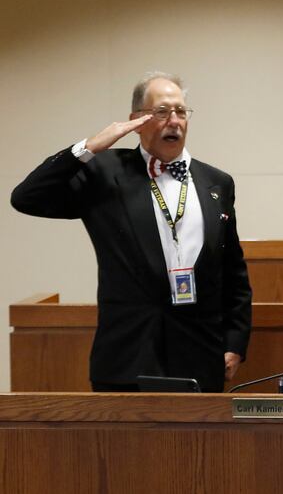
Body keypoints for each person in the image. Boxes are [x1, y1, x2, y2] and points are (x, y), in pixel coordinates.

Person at [11, 72, 252, 392]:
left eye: (181, 111)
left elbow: (233, 272)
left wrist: (235, 342)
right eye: (162, 112)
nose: (174, 121)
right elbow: (26, 197)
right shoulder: (105, 171)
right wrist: (89, 147)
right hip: (127, 356)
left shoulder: (217, 182)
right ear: (136, 120)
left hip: (199, 356)